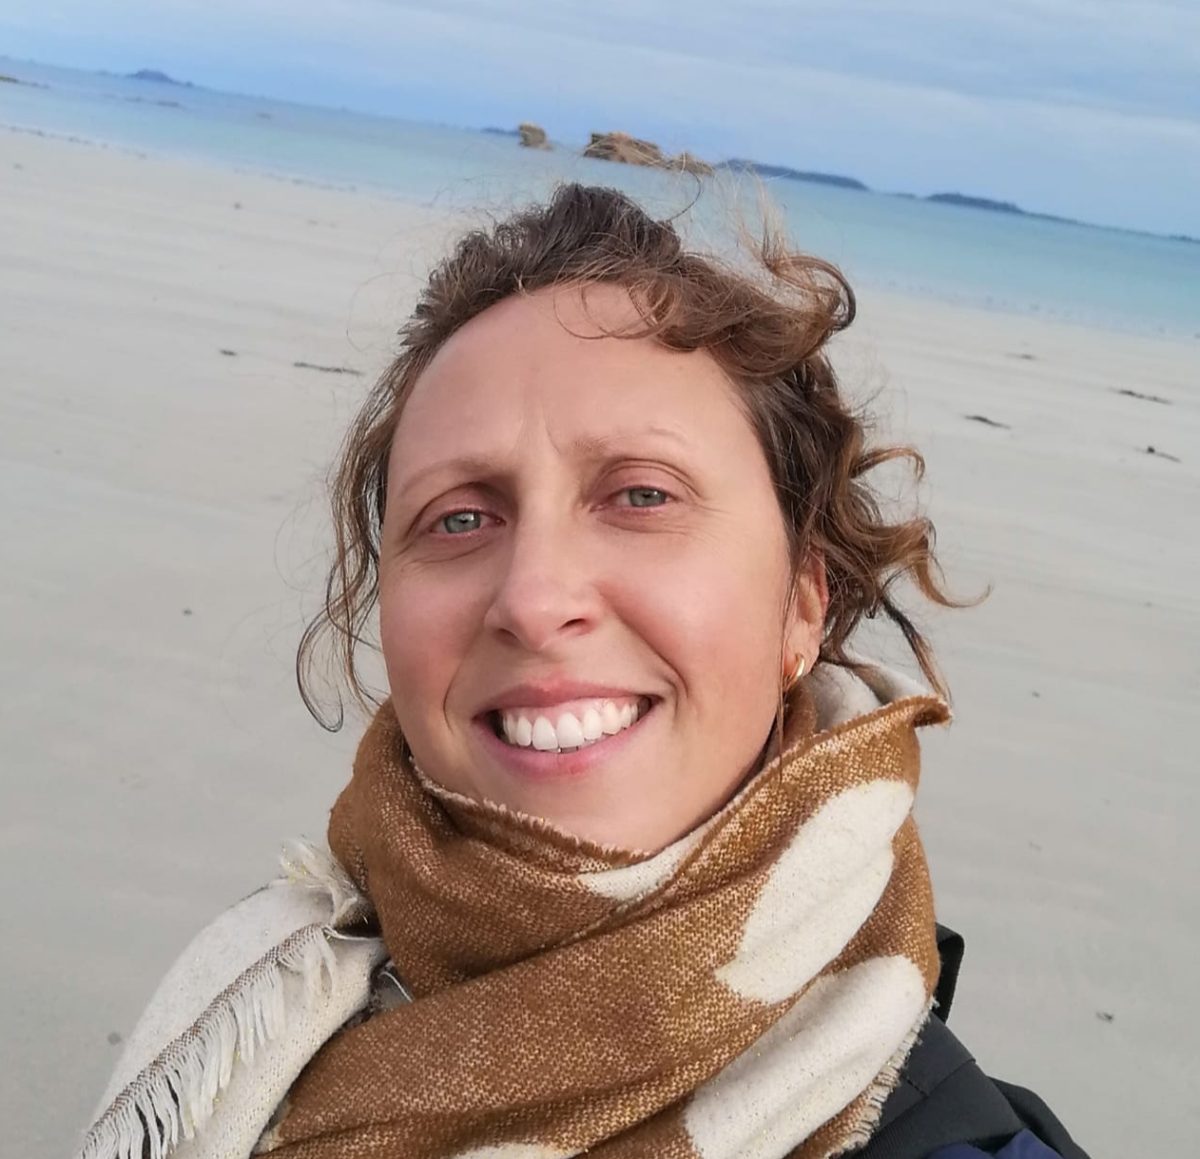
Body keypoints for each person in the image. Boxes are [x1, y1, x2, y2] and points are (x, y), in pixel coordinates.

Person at [78, 184, 1090, 1159]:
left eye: (642, 495)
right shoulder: (265, 1008)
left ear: (801, 602)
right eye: (459, 517)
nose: (532, 597)